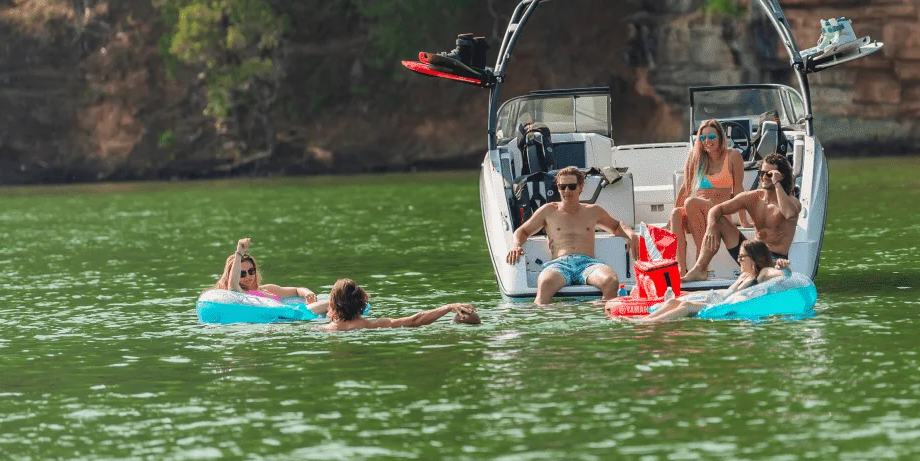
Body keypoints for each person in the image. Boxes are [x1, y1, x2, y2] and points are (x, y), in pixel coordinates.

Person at [505, 165, 634, 304]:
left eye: (572, 186)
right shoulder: (548, 210)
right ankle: (545, 317)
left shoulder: (593, 211)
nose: (567, 191)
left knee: (611, 281)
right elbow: (523, 231)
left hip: (588, 264)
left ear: (580, 187)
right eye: (562, 187)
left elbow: (616, 226)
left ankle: (599, 314)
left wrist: (632, 235)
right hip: (559, 264)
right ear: (558, 188)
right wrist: (516, 245)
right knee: (545, 284)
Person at [683, 154, 800, 282]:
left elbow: (789, 214)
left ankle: (763, 277)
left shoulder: (792, 203)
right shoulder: (753, 197)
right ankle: (700, 269)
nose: (764, 177)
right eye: (762, 173)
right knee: (718, 220)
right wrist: (711, 226)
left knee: (768, 274)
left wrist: (777, 183)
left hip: (773, 261)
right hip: (750, 255)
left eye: (769, 174)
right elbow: (716, 210)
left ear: (781, 176)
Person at [641, 241, 787, 324]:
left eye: (742, 257)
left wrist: (782, 267)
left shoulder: (762, 274)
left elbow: (781, 274)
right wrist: (697, 294)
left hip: (725, 308)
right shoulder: (744, 275)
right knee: (674, 302)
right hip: (719, 302)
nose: (738, 260)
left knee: (686, 306)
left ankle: (648, 324)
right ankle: (642, 320)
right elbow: (725, 293)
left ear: (754, 257)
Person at [672, 119, 744, 275]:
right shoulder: (695, 157)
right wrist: (669, 223)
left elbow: (738, 189)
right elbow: (686, 188)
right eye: (702, 137)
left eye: (711, 136)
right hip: (696, 212)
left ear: (720, 137)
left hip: (719, 214)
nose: (707, 141)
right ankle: (681, 269)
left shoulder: (732, 156)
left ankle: (701, 264)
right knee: (676, 213)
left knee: (691, 202)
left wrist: (743, 221)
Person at [319, 279, 481, 331]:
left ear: (333, 304)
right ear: (361, 301)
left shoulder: (324, 329)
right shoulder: (372, 325)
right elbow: (415, 320)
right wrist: (449, 307)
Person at [214, 237, 327, 313]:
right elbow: (233, 287)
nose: (248, 276)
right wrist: (239, 253)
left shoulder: (267, 289)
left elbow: (297, 290)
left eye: (251, 271)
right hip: (291, 314)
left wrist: (308, 293)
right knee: (331, 304)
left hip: (291, 312)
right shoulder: (242, 294)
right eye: (242, 274)